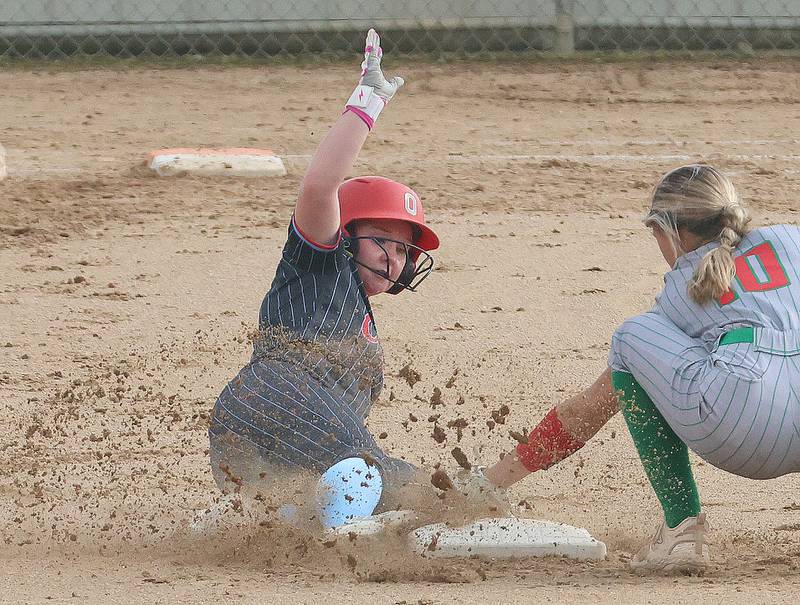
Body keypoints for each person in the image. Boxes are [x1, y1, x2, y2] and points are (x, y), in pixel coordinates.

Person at [480, 164, 800, 572]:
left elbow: (587, 410)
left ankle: (682, 530)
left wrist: (493, 481)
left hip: (747, 435)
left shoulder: (682, 290)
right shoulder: (791, 237)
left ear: (671, 231)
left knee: (632, 336)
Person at [206, 30, 440, 529]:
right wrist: (367, 102)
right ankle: (345, 542)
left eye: (403, 250)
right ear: (345, 230)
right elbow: (319, 184)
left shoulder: (361, 316)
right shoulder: (320, 263)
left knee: (410, 485)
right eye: (383, 241)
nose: (395, 259)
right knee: (375, 475)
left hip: (255, 438)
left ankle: (267, 521)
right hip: (277, 393)